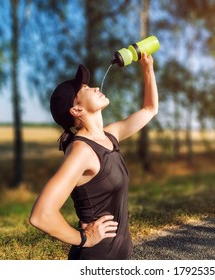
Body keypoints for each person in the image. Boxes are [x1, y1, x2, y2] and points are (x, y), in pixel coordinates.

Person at [29, 53, 158, 260]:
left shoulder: (109, 136)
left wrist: (147, 67)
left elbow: (150, 109)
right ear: (77, 109)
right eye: (86, 89)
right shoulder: (82, 151)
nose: (96, 88)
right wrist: (83, 238)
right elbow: (41, 215)